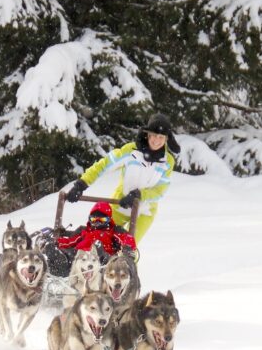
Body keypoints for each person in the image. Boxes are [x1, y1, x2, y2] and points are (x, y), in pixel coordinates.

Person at [64, 113, 181, 243]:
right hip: (120, 204)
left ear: (166, 139)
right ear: (147, 134)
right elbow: (104, 165)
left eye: (161, 137)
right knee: (101, 240)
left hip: (144, 211)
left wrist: (138, 195)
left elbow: (159, 191)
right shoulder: (131, 151)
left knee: (128, 248)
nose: (156, 140)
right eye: (153, 135)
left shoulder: (167, 162)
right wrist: (81, 184)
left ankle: (126, 261)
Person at [46, 202, 136, 277]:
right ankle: (60, 262)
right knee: (70, 252)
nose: (97, 223)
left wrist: (128, 248)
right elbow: (70, 241)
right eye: (93, 219)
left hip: (101, 260)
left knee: (96, 245)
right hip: (78, 257)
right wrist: (57, 243)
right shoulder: (84, 231)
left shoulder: (113, 231)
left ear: (109, 220)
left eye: (102, 220)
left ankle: (70, 265)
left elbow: (127, 238)